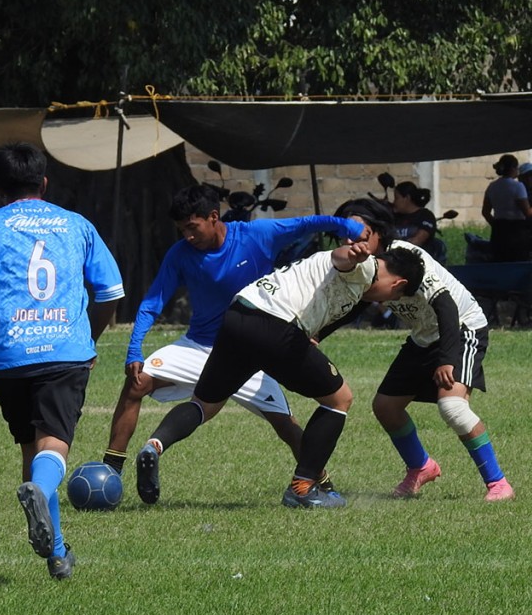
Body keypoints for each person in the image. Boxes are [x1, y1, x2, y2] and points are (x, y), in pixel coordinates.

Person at [134, 199, 425, 509]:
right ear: (398, 284)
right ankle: (303, 487)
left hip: (238, 314)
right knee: (340, 399)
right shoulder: (366, 268)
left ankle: (154, 445)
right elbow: (341, 258)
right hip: (274, 325)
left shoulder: (351, 280)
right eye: (394, 295)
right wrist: (355, 254)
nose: (385, 301)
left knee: (205, 404)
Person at [102, 184, 368, 494]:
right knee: (137, 382)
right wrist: (134, 349)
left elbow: (307, 223)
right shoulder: (180, 253)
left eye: (192, 227)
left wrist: (348, 226)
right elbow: (153, 302)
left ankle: (320, 483)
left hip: (252, 351)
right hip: (199, 347)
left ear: (214, 217)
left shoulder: (257, 235)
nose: (187, 236)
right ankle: (110, 471)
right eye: (181, 229)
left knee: (285, 424)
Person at [0, 142, 124, 580]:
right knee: (53, 447)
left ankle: (58, 555)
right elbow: (111, 293)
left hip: (8, 355)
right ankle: (41, 495)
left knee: (32, 447)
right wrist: (88, 337)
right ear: (44, 182)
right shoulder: (77, 225)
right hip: (64, 352)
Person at [370, 239, 515, 502]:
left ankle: (499, 484)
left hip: (461, 329)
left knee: (453, 407)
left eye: (359, 234)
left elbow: (447, 308)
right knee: (386, 407)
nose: (351, 242)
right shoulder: (361, 266)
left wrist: (447, 360)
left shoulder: (407, 259)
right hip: (424, 336)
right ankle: (421, 467)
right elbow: (356, 302)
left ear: (377, 234)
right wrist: (319, 333)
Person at [482, 154, 532, 262]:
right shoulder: (518, 186)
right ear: (513, 168)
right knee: (518, 264)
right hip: (517, 233)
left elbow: (485, 212)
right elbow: (528, 212)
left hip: (498, 232)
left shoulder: (492, 186)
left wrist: (496, 225)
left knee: (500, 263)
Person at [392, 181, 444, 265]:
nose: (394, 202)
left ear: (407, 198)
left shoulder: (425, 216)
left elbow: (417, 241)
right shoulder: (394, 217)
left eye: (397, 198)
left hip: (419, 262)